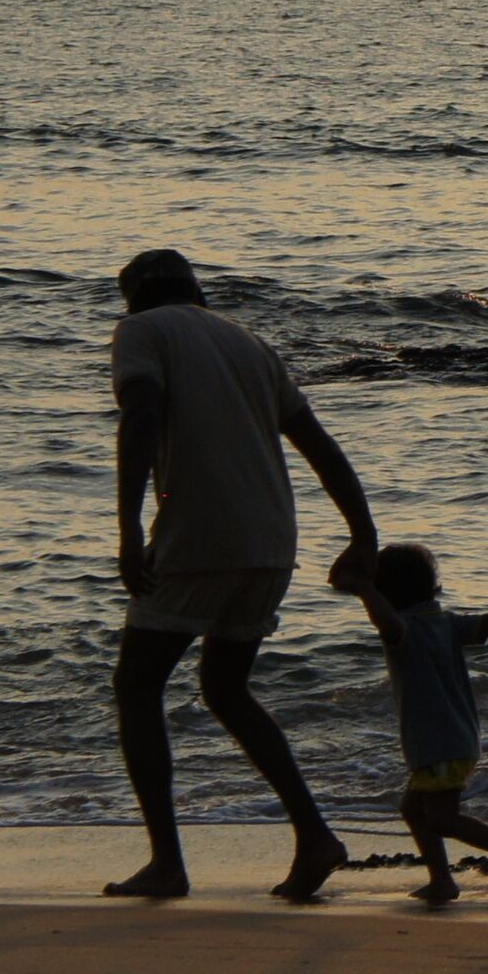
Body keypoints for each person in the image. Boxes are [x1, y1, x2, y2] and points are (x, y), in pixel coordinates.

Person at [102, 247, 376, 903]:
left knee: (137, 685)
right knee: (225, 688)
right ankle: (314, 833)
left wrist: (127, 525)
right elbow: (319, 443)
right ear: (196, 290)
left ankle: (167, 860)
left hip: (200, 536)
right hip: (272, 541)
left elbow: (139, 415)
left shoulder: (141, 331)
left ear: (133, 295)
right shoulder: (248, 342)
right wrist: (362, 531)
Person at [326, 542, 488, 909]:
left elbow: (384, 620)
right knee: (413, 808)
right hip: (455, 739)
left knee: (442, 818)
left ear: (386, 593)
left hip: (438, 744)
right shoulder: (446, 623)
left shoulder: (402, 630)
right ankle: (441, 879)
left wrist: (362, 587)